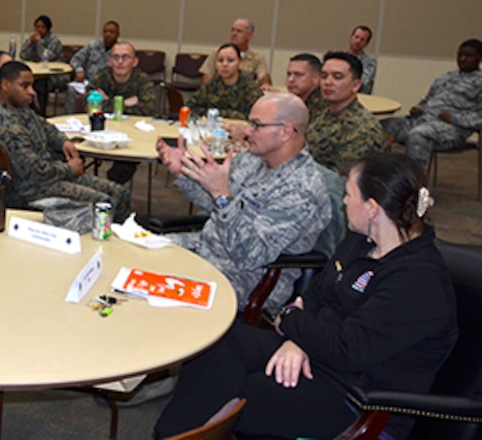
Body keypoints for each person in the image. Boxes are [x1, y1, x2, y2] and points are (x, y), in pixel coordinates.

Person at [155, 152, 457, 440]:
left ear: (372, 208)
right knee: (218, 343)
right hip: (321, 356)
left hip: (358, 399)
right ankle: (171, 434)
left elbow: (345, 348)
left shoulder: (417, 281)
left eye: (349, 195)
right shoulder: (362, 241)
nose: (344, 201)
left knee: (236, 391)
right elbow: (317, 294)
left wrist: (290, 322)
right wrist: (298, 337)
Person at [155, 93, 331, 308]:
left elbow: (251, 255)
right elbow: (216, 204)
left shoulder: (303, 189)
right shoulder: (253, 159)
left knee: (154, 291)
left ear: (286, 132)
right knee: (136, 258)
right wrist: (181, 173)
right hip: (206, 248)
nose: (247, 131)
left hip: (246, 278)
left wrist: (221, 194)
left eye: (256, 125)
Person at [0, 61, 131, 213]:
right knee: (105, 203)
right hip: (33, 190)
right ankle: (107, 234)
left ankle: (122, 232)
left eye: (32, 86)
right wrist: (68, 169)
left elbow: (45, 127)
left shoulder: (19, 110)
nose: (32, 92)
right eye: (24, 86)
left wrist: (63, 142)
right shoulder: (6, 126)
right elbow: (35, 172)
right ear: (5, 85)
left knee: (119, 193)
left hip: (50, 177)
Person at [382, 38, 482, 169]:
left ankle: (414, 184)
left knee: (419, 134)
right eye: (460, 55)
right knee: (382, 127)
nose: (462, 59)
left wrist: (454, 119)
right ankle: (374, 178)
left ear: (479, 57)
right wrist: (419, 107)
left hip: (452, 129)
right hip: (423, 119)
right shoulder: (445, 77)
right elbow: (427, 100)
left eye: (468, 56)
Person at [87, 41, 159, 184]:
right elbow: (89, 103)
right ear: (109, 61)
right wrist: (125, 103)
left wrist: (108, 102)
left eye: (125, 57)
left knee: (120, 170)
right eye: (116, 57)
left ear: (135, 62)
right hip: (103, 130)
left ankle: (115, 194)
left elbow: (149, 110)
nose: (120, 62)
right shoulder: (102, 77)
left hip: (134, 134)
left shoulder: (142, 80)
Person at [307, 51, 385, 171]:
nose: (328, 82)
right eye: (324, 76)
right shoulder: (321, 116)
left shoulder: (363, 129)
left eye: (337, 77)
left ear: (356, 85)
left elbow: (343, 180)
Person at [188, 43, 264, 119]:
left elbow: (259, 116)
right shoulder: (211, 86)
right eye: (220, 60)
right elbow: (190, 107)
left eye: (230, 60)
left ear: (240, 63)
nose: (224, 64)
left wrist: (219, 113)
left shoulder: (250, 88)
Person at [66, 20, 121, 113]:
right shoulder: (93, 46)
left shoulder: (120, 50)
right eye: (105, 32)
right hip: (87, 82)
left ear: (118, 34)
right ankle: (70, 118)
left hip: (107, 87)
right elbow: (75, 59)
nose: (108, 34)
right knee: (71, 89)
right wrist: (79, 70)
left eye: (111, 32)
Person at [200, 18, 271, 86]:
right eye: (233, 30)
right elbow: (207, 79)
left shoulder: (257, 58)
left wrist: (265, 83)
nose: (234, 34)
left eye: (239, 31)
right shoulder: (218, 52)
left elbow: (263, 77)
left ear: (249, 35)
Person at [20, 14, 69, 113]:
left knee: (41, 84)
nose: (39, 30)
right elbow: (23, 55)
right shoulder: (32, 38)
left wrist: (39, 43)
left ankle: (40, 112)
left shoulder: (54, 40)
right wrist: (29, 43)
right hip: (36, 73)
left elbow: (47, 57)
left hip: (54, 75)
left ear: (48, 29)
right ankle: (27, 111)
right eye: (37, 27)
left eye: (42, 27)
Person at [347, 25, 377, 94]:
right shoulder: (340, 59)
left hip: (361, 98)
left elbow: (363, 82)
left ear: (366, 44)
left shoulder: (370, 62)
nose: (358, 41)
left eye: (362, 39)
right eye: (356, 37)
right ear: (350, 38)